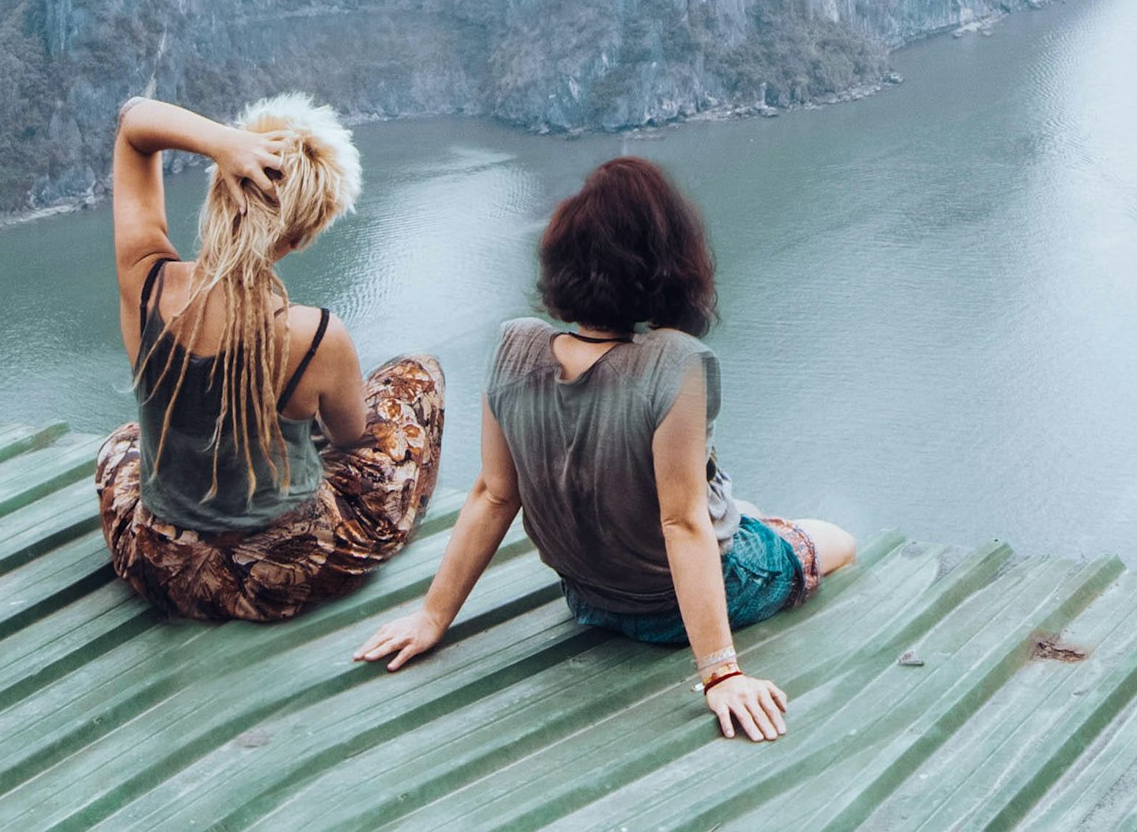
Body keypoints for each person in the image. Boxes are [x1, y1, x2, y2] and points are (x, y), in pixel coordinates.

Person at [353, 155, 855, 742]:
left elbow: (493, 494)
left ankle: (758, 527)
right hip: (674, 604)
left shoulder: (515, 346)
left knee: (742, 515)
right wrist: (722, 673)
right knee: (834, 538)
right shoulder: (676, 362)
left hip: (587, 597)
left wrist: (433, 616)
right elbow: (681, 522)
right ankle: (775, 537)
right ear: (663, 267)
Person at [92, 91, 444, 622]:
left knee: (125, 442)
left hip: (159, 561)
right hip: (279, 571)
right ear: (300, 238)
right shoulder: (315, 335)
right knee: (416, 377)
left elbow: (134, 122)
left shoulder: (145, 280)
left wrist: (223, 143)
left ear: (220, 189)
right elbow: (350, 438)